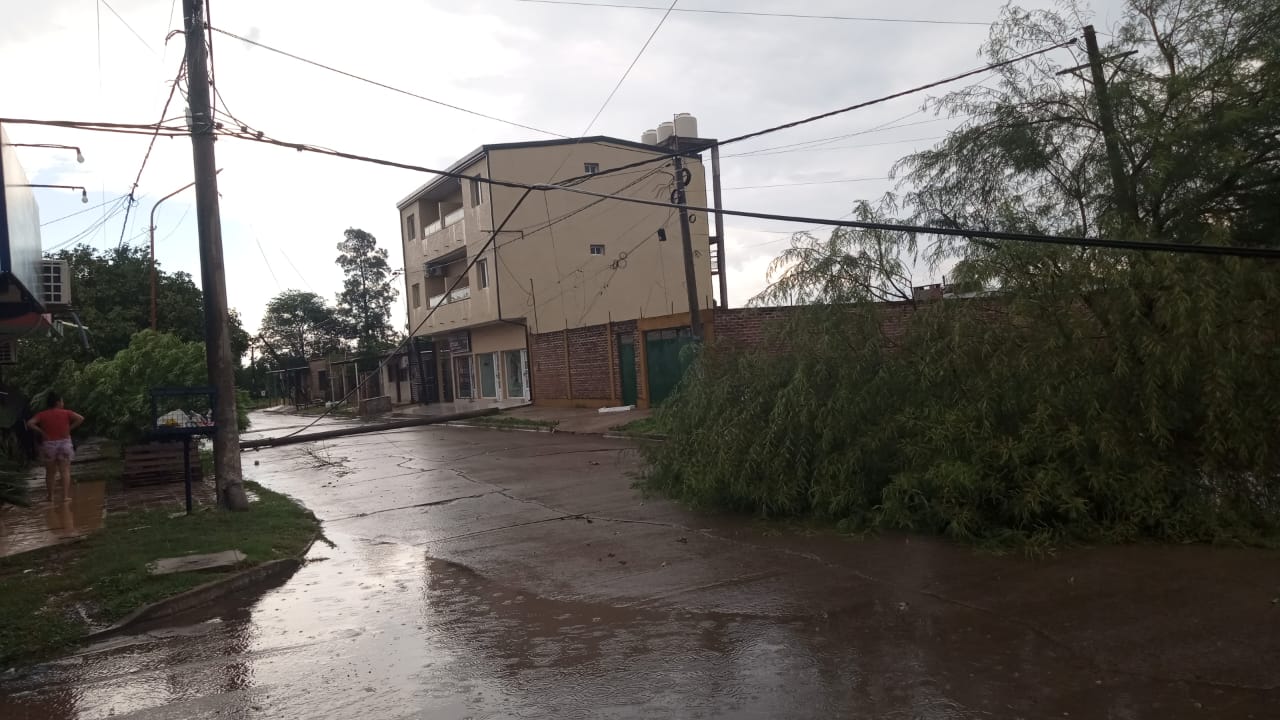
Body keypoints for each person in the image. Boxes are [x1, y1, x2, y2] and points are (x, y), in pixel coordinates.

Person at [27, 393, 85, 503]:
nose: (63, 403)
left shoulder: (42, 415)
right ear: (58, 402)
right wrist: (69, 428)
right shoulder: (66, 413)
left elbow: (30, 423)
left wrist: (42, 432)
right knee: (65, 470)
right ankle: (65, 497)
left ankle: (50, 496)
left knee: (50, 472)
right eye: (62, 401)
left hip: (49, 444)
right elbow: (80, 418)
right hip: (64, 443)